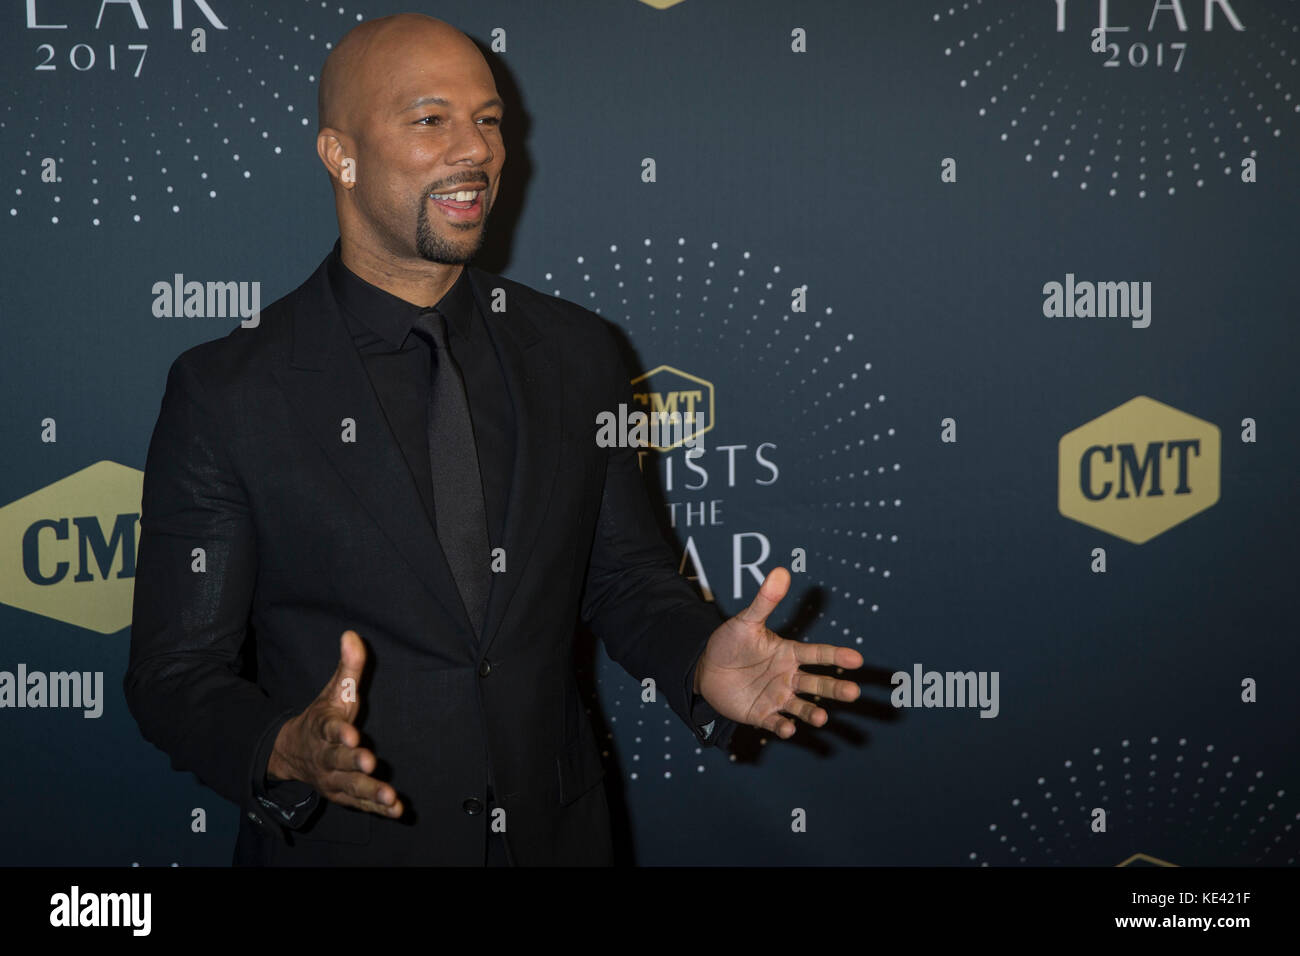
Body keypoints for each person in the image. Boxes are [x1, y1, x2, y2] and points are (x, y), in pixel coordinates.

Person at [124, 12, 863, 866]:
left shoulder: (577, 354)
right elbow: (175, 677)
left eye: (488, 120)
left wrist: (697, 658)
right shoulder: (229, 390)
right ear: (341, 154)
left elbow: (623, 579)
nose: (473, 149)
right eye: (430, 119)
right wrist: (283, 750)